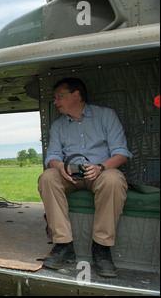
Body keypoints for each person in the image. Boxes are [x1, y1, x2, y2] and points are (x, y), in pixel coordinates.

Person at [38, 78, 132, 277]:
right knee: (47, 177)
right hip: (70, 176)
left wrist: (100, 168)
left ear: (76, 95)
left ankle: (101, 249)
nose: (56, 102)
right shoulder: (58, 126)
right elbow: (52, 156)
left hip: (100, 173)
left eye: (59, 97)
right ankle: (63, 245)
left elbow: (121, 153)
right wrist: (60, 166)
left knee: (114, 179)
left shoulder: (105, 116)